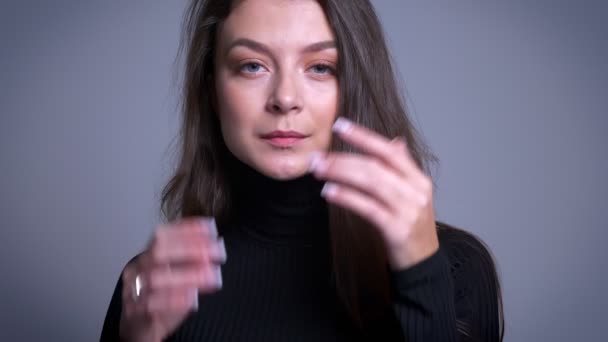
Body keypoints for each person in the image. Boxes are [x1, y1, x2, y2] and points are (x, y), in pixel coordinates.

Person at [100, 0, 504, 341]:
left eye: (320, 67)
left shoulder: (455, 269)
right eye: (252, 66)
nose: (285, 99)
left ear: (353, 85)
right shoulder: (152, 286)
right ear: (212, 90)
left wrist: (421, 277)